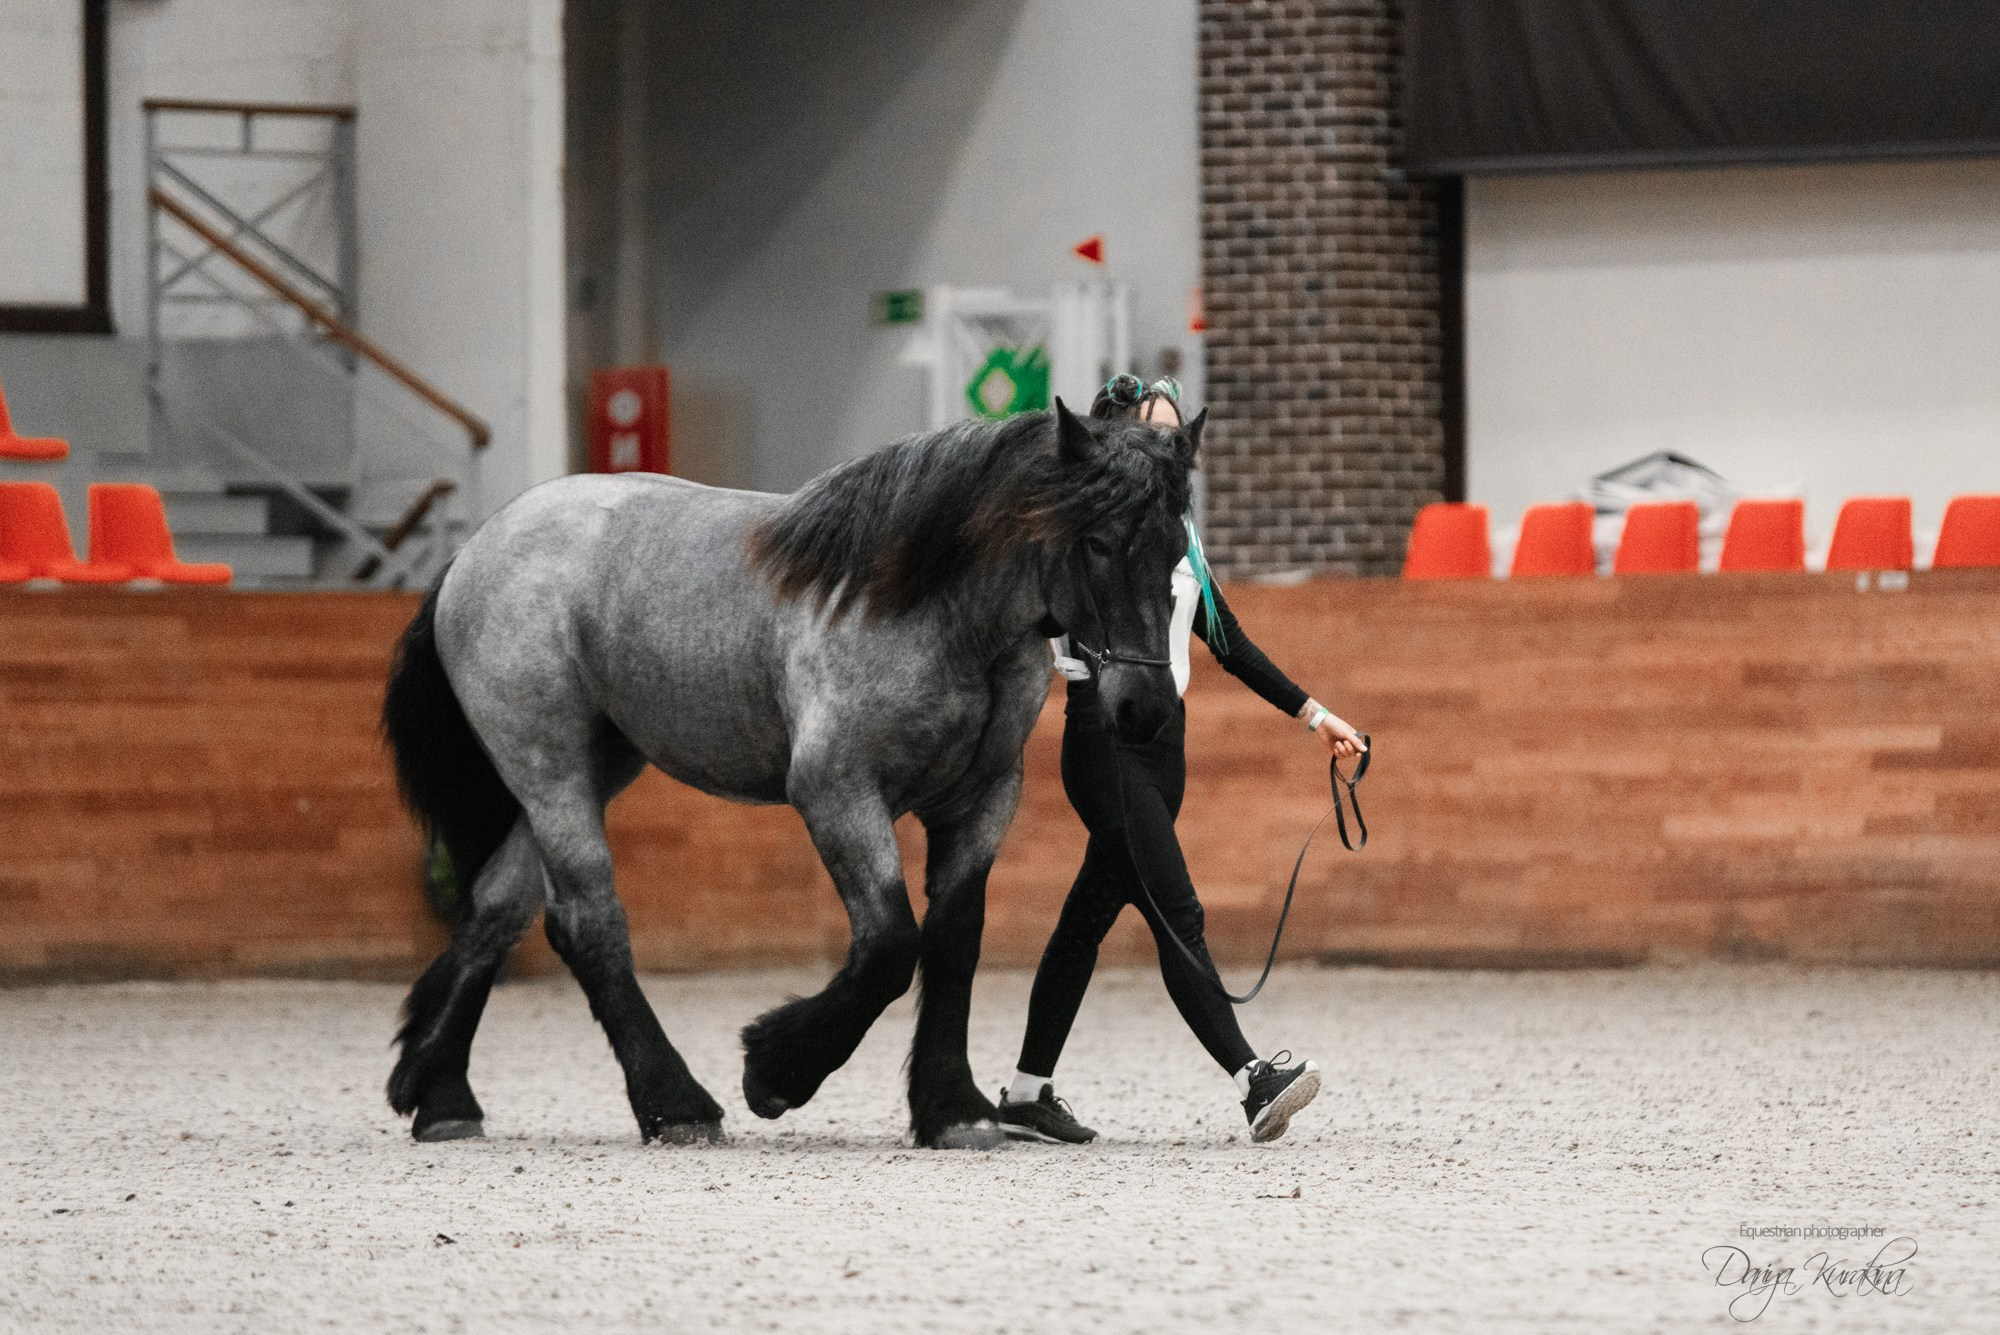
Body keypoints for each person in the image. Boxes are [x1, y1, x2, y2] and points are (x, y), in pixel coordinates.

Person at [994, 373, 1366, 1146]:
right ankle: (1251, 1078)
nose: (1169, 450)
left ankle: (1027, 1092)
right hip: (1103, 738)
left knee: (1086, 919)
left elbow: (1226, 642)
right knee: (1176, 910)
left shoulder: (1178, 536)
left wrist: (1317, 716)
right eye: (1154, 433)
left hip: (1167, 747)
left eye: (1175, 438)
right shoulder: (1084, 534)